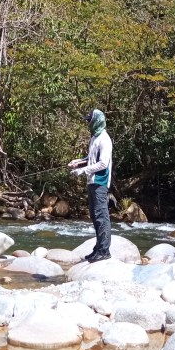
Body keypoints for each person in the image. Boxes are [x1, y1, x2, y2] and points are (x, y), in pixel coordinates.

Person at [68, 108, 113, 262]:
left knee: (101, 216)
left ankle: (104, 251)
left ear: (97, 121)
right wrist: (77, 162)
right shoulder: (94, 138)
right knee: (94, 216)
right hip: (92, 182)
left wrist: (83, 170)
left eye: (89, 120)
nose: (88, 123)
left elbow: (103, 163)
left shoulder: (105, 139)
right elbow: (91, 158)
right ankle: (98, 248)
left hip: (100, 182)